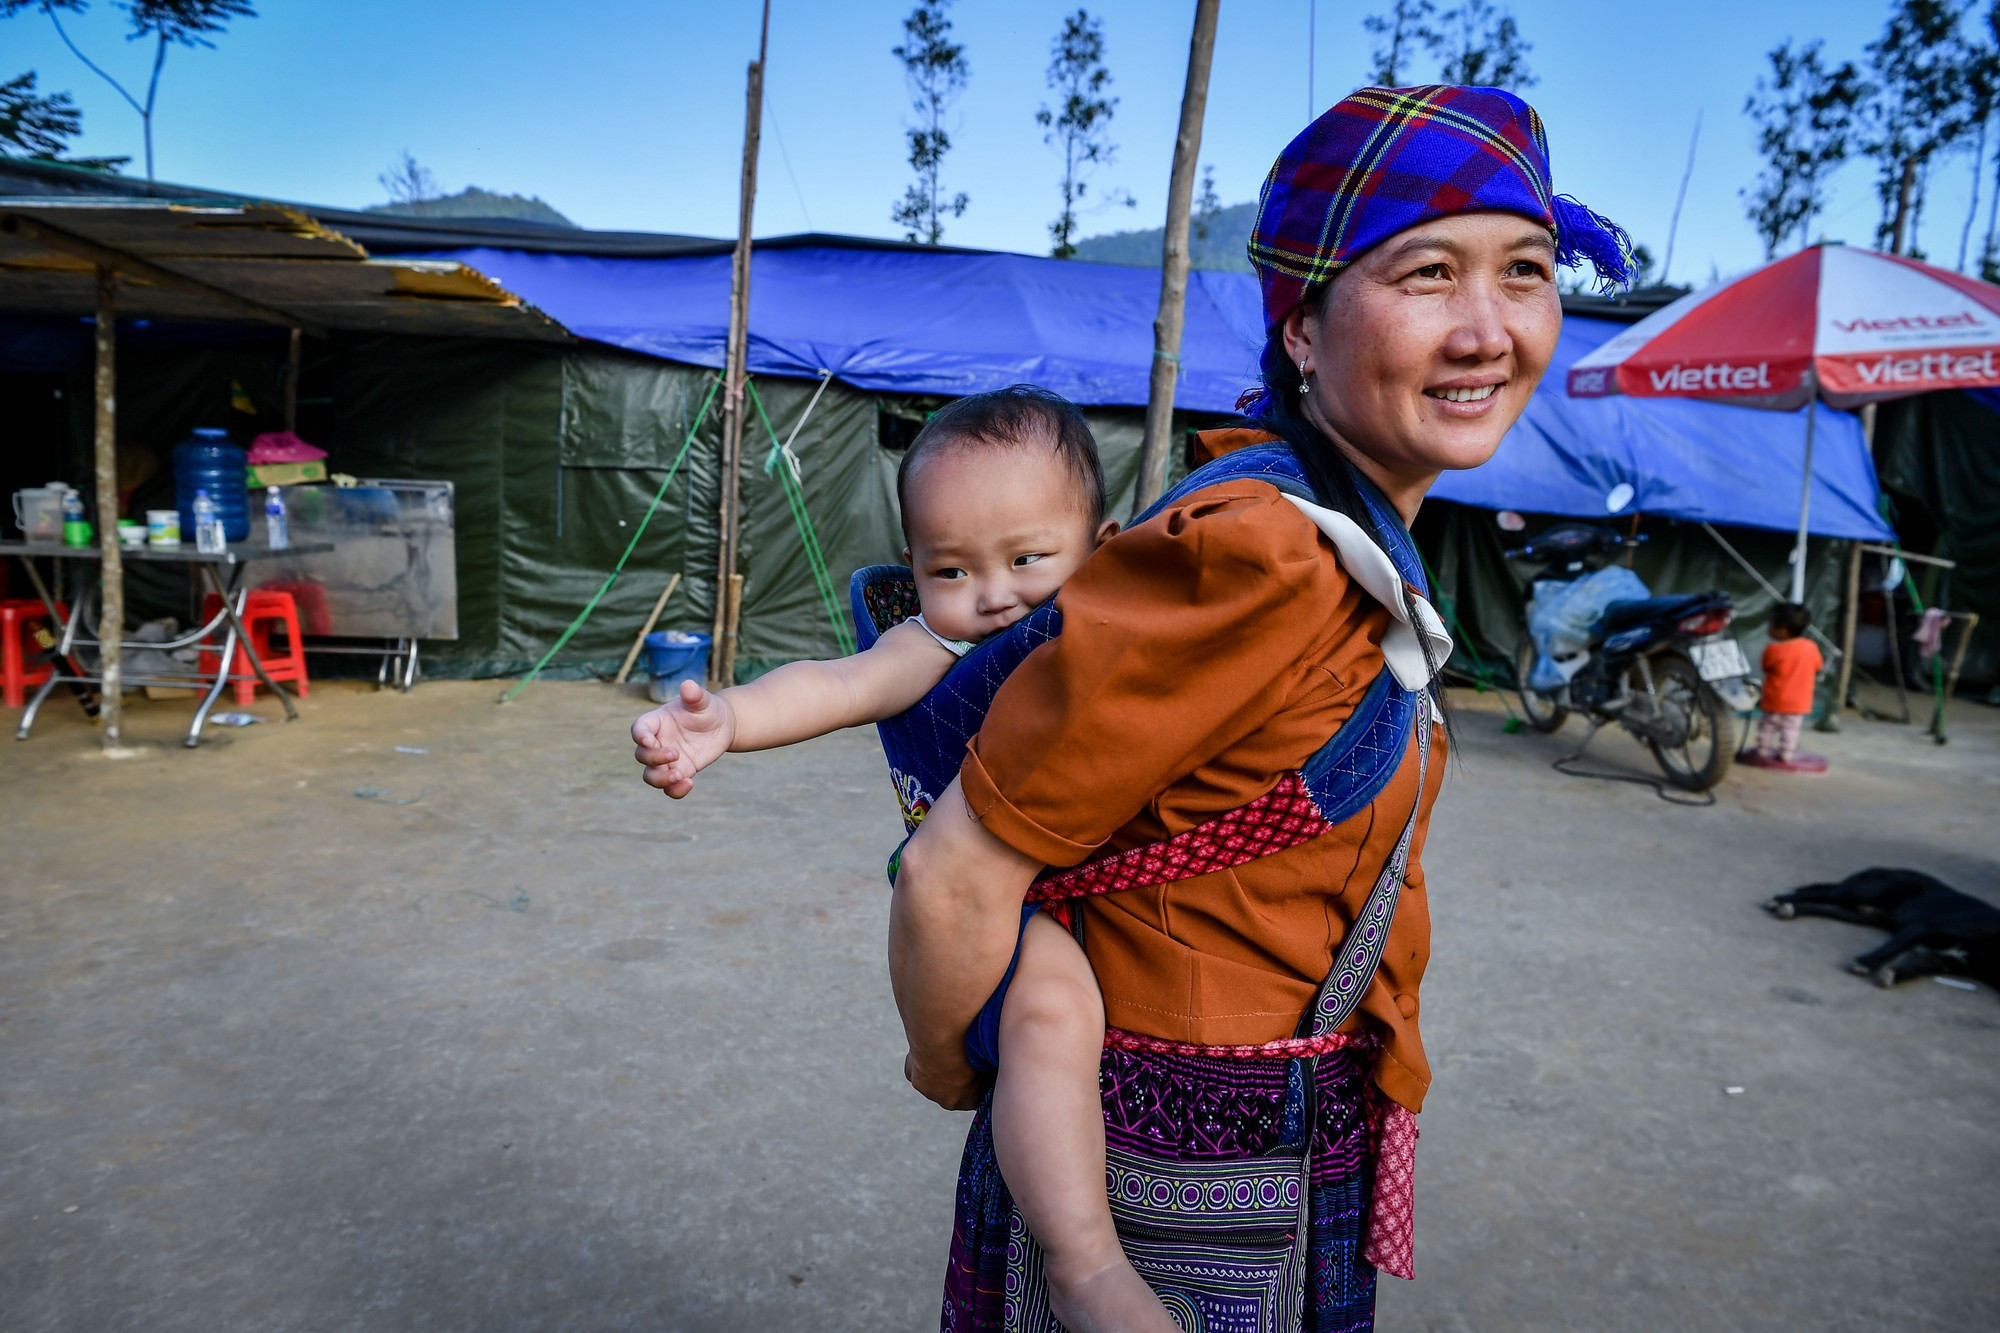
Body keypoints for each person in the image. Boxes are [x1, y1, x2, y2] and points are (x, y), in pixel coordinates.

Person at [888, 84, 1633, 1330]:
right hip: (1177, 1152)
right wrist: (944, 1057)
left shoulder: (1351, 531)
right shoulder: (1262, 555)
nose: (1486, 327)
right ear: (1299, 329)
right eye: (1426, 274)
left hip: (1270, 1118)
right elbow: (950, 878)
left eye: (1524, 270)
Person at [630, 387, 1176, 1330]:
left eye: (1028, 557)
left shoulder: (1118, 631)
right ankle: (1082, 1257)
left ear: (1104, 541)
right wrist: (729, 719)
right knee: (1052, 1013)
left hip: (1111, 897)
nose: (995, 593)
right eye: (951, 568)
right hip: (998, 911)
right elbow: (838, 684)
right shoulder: (932, 644)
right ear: (916, 571)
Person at [1745, 602, 1826, 771]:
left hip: (1775, 700)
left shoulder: (1773, 649)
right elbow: (1818, 665)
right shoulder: (1811, 647)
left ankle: (1762, 750)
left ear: (1784, 629)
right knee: (1791, 729)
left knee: (1767, 727)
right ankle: (1786, 753)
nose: (1768, 629)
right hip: (1799, 703)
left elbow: (1766, 668)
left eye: (1771, 625)